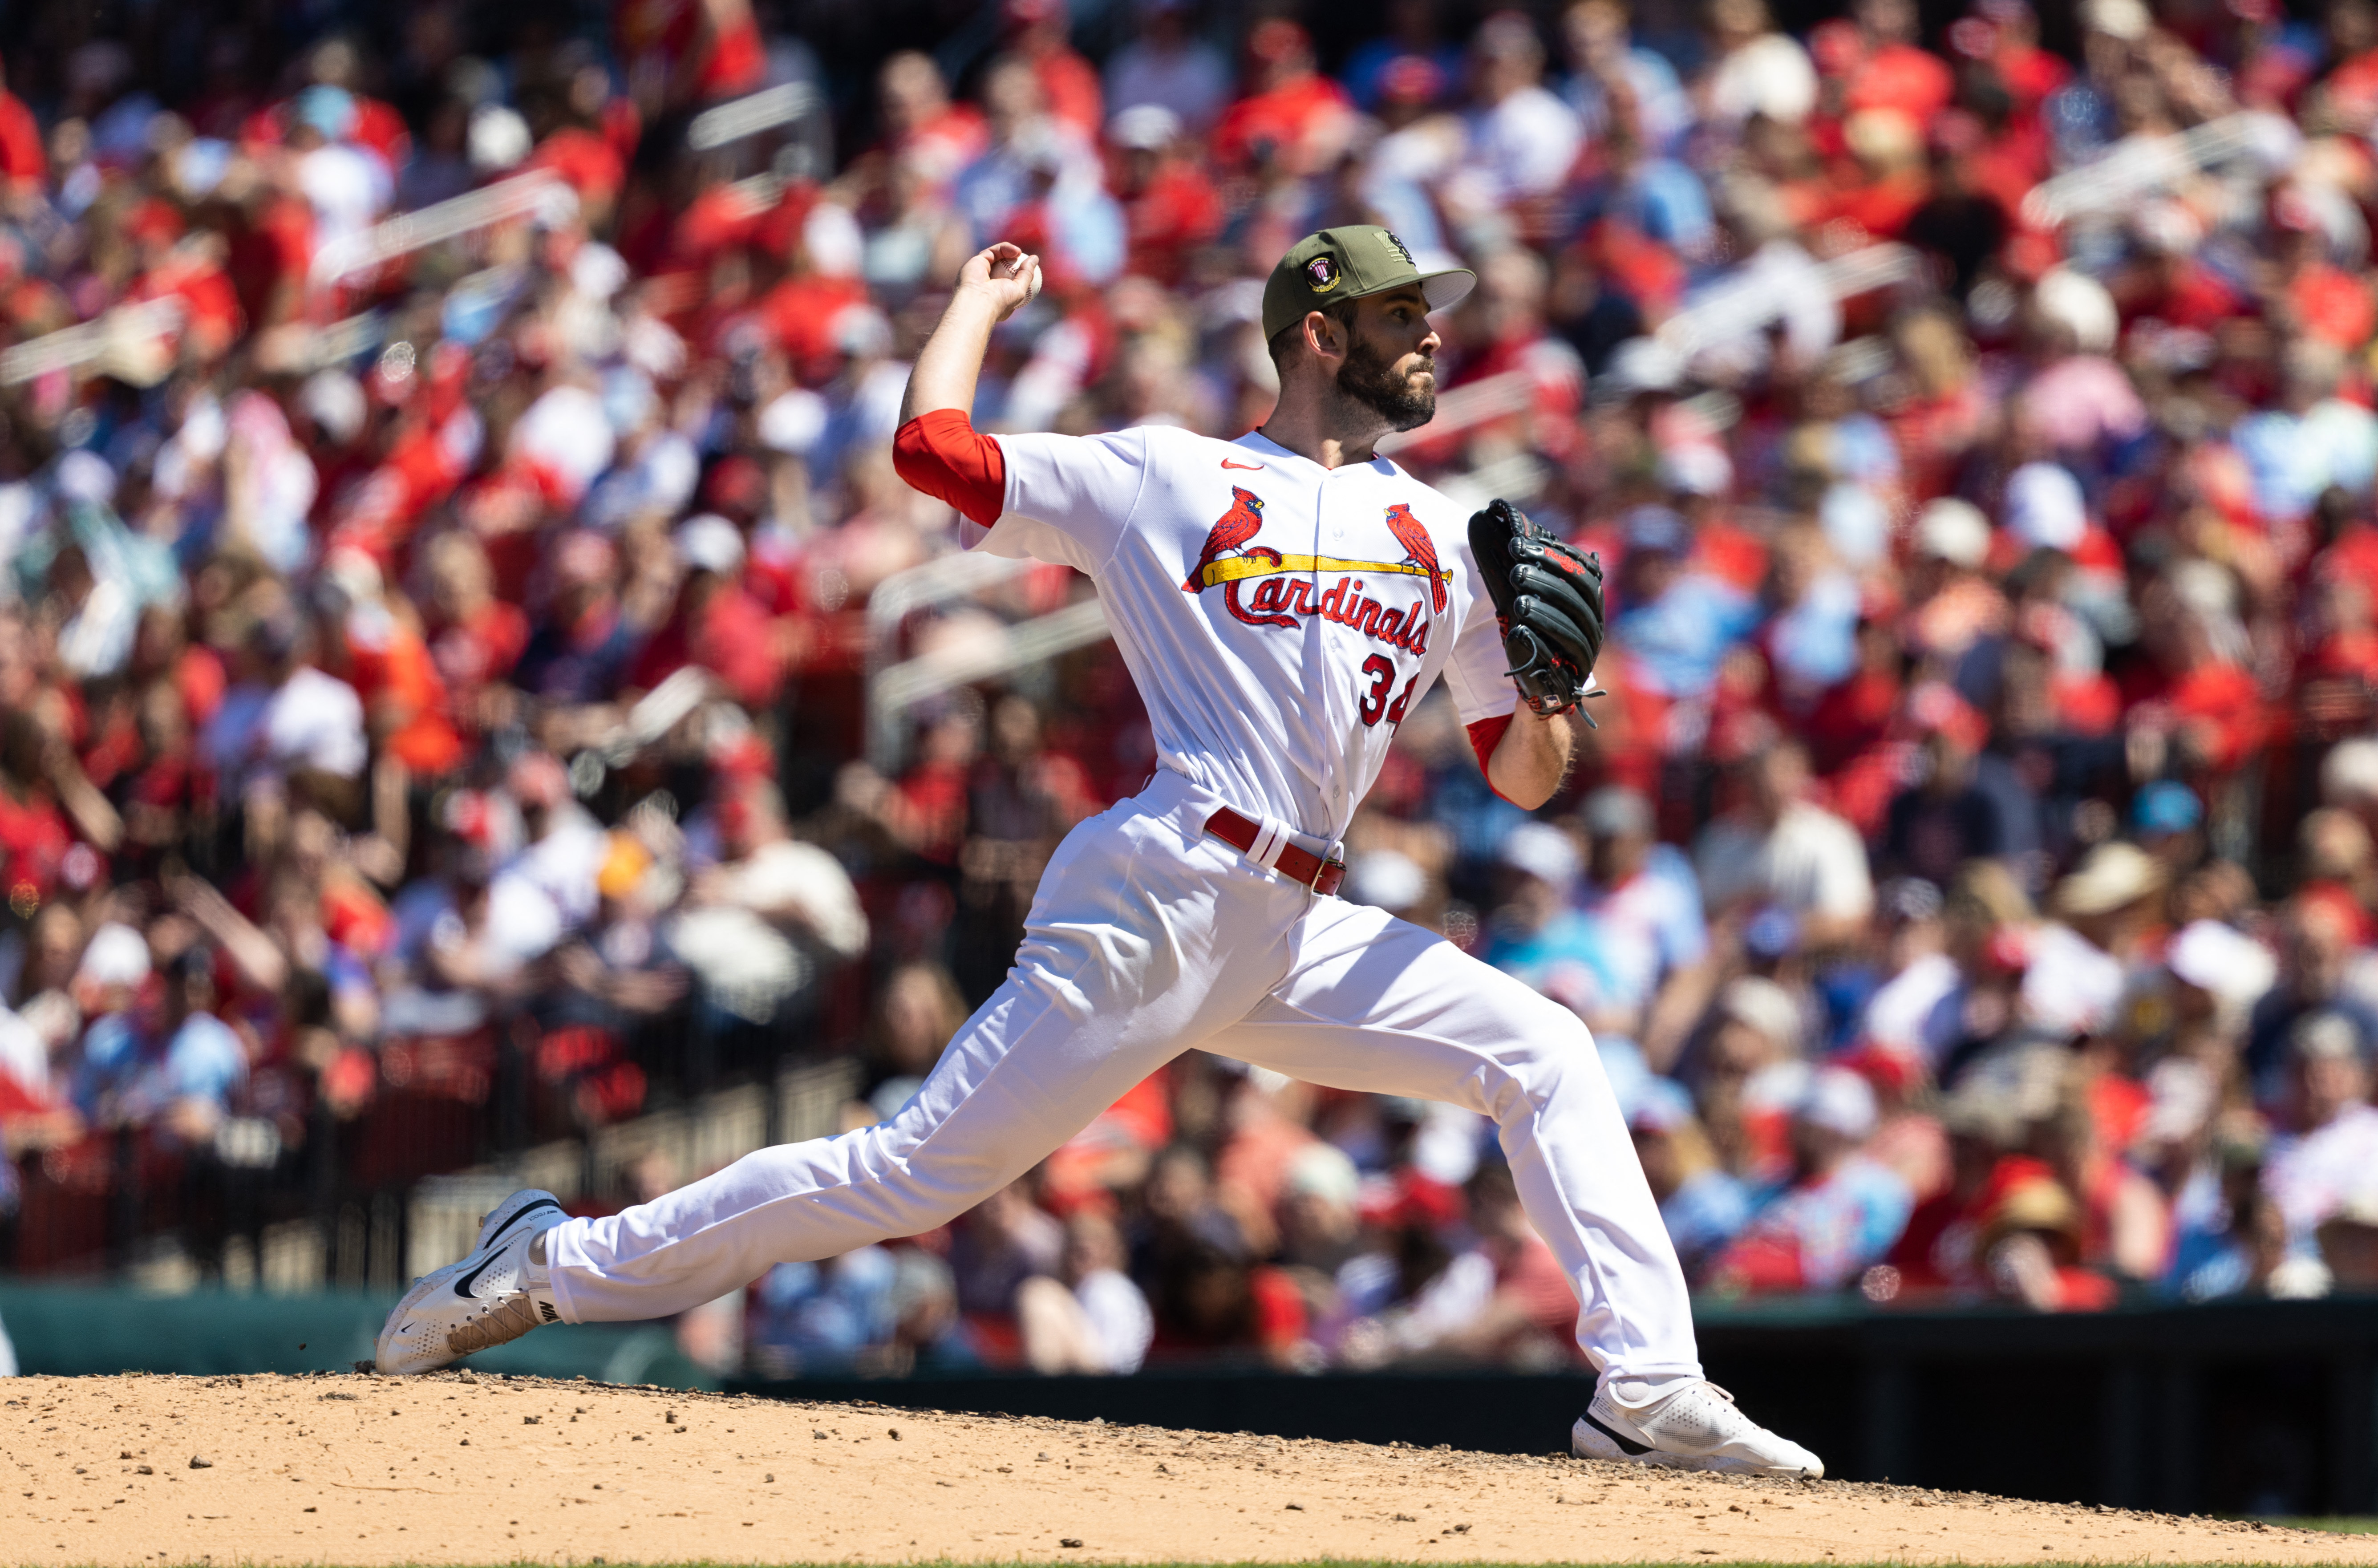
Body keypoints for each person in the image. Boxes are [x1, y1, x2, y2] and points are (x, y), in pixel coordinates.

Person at [373, 227, 1822, 1478]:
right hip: (1165, 885)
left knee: (1548, 1050)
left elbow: (1521, 778)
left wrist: (1556, 693)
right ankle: (549, 1263)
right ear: (1318, 334)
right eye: (1398, 315)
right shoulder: (1162, 475)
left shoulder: (1445, 536)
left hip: (1297, 920)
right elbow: (934, 453)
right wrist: (974, 309)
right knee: (904, 1173)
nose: (1431, 335)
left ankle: (1646, 1390)